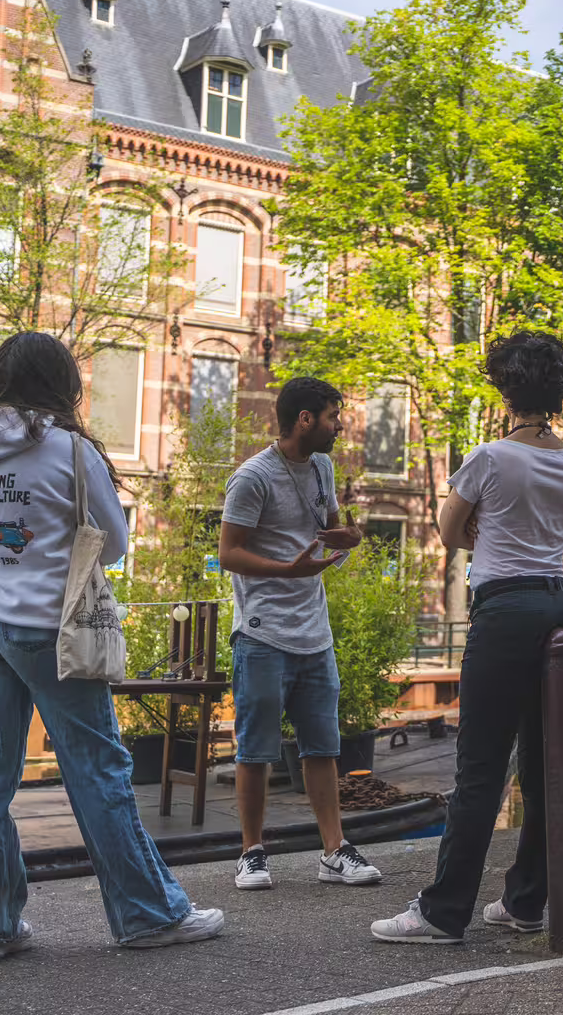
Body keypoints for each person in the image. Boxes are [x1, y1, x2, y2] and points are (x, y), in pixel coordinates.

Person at [0, 332, 224, 960]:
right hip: (48, 629)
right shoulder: (69, 450)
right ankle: (147, 915)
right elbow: (114, 542)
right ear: (59, 385)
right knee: (98, 771)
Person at [371, 331, 563, 944]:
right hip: (561, 605)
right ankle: (525, 902)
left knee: (480, 769)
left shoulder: (490, 457)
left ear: (504, 389)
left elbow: (448, 530)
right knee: (549, 764)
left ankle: (443, 913)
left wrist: (483, 530)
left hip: (505, 611)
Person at [218, 376, 380, 891]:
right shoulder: (252, 477)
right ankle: (251, 852)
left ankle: (334, 851)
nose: (340, 427)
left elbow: (332, 530)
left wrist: (349, 538)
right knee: (256, 748)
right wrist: (288, 571)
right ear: (306, 419)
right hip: (263, 633)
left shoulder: (324, 468)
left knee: (323, 747)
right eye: (334, 417)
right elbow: (229, 553)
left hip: (316, 631)